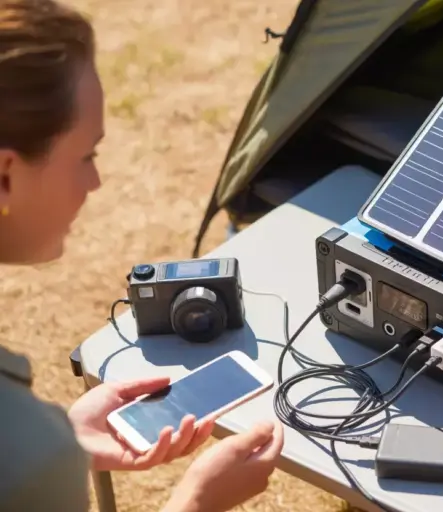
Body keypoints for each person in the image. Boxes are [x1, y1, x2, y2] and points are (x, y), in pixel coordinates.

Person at [0, 0, 284, 510]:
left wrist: (64, 436)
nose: (96, 181)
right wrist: (196, 501)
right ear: (4, 176)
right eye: (86, 155)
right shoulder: (27, 464)